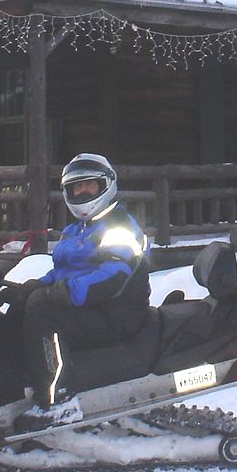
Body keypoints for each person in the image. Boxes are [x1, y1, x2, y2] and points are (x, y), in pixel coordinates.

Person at [15, 153, 150, 429]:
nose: (82, 192)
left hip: (116, 313)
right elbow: (65, 271)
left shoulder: (119, 227)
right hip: (92, 307)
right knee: (22, 307)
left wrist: (61, 293)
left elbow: (112, 276)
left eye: (89, 185)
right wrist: (36, 286)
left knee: (44, 317)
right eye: (76, 188)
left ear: (106, 186)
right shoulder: (77, 230)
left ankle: (58, 400)